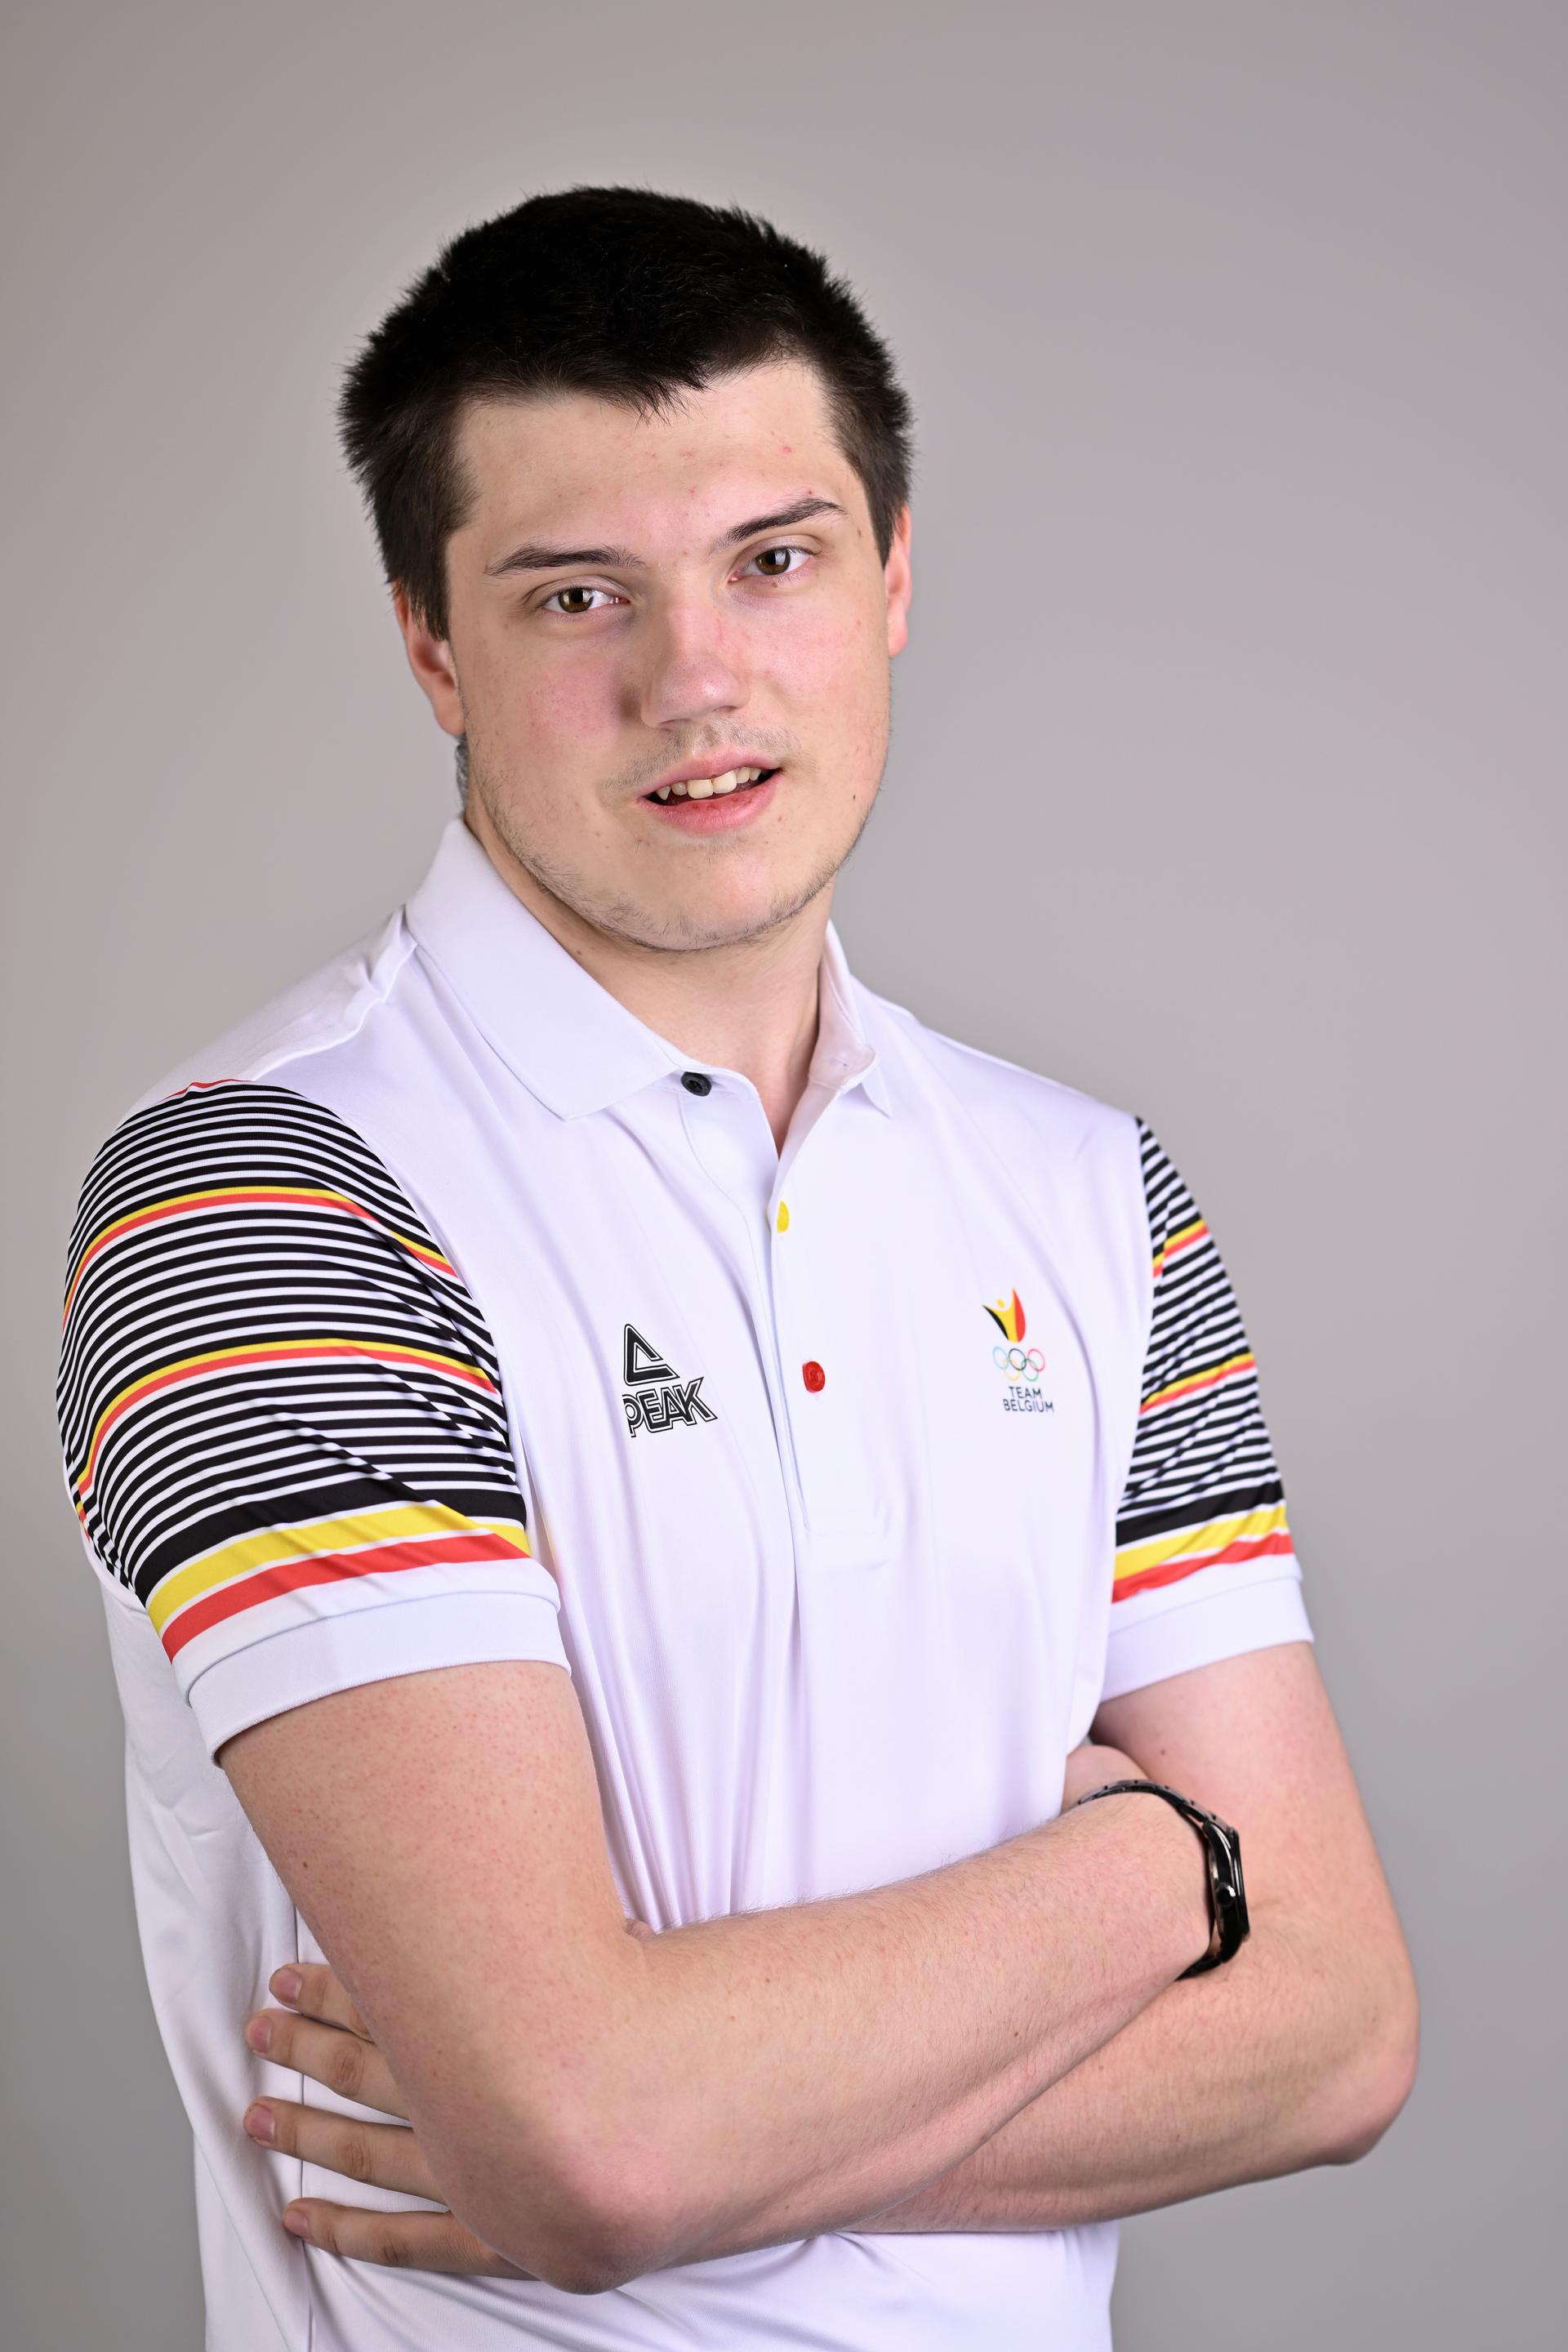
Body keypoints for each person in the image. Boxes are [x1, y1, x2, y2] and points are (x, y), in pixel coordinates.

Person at [55, 185, 1417, 2350]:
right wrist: (1166, 1876)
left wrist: (680, 2149)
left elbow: (1337, 2033)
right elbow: (589, 2138)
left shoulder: (1087, 1193)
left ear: (891, 578)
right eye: (575, 592)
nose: (696, 679)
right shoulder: (261, 1199)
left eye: (773, 561)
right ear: (428, 642)